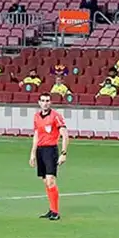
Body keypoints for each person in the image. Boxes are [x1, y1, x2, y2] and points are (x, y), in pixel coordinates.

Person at [29, 93, 69, 221]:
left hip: (51, 150)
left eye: (47, 101)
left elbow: (65, 134)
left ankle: (56, 212)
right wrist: (32, 153)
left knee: (51, 180)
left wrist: (63, 153)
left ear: (50, 102)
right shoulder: (36, 116)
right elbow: (36, 135)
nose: (45, 103)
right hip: (40, 150)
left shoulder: (55, 116)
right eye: (43, 101)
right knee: (45, 181)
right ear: (39, 103)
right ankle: (51, 209)